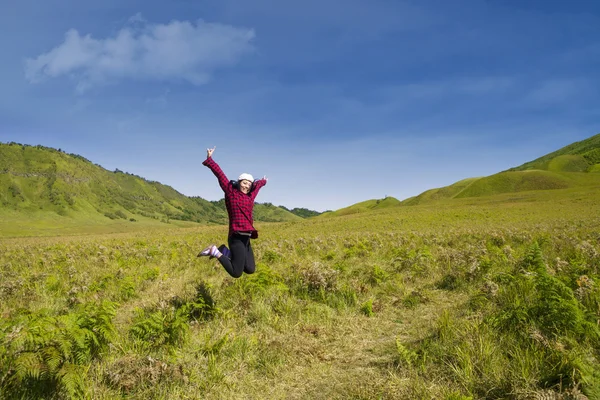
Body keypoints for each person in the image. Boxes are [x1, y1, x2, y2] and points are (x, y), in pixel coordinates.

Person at [197, 146, 268, 278]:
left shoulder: (250, 197)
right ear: (239, 182)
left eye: (249, 184)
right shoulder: (231, 192)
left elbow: (257, 187)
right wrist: (210, 160)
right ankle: (214, 251)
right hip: (236, 236)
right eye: (244, 183)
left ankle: (223, 250)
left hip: (246, 238)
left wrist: (263, 182)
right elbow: (220, 175)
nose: (246, 186)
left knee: (250, 269)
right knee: (236, 273)